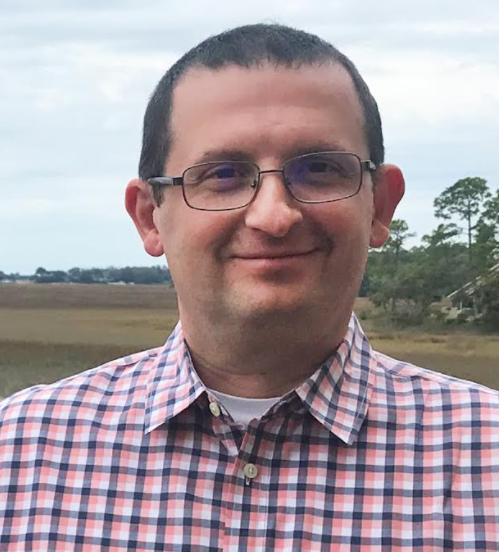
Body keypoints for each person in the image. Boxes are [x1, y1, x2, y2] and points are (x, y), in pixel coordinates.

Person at [1, 23, 498, 551]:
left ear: (380, 206)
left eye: (320, 169)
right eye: (223, 174)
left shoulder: (486, 458)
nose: (273, 215)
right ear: (150, 218)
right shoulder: (18, 455)